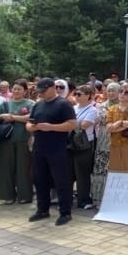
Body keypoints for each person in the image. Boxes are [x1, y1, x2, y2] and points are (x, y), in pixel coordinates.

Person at [27, 78, 77, 226]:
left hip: (57, 148)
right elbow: (29, 122)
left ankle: (65, 212)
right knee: (40, 179)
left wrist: (51, 127)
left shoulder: (63, 104)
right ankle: (42, 209)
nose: (42, 94)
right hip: (39, 147)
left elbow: (71, 125)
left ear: (53, 88)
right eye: (40, 92)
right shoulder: (38, 105)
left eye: (44, 91)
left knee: (61, 180)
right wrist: (31, 127)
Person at [0, 81, 34, 205]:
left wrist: (12, 117)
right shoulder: (4, 105)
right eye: (15, 89)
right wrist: (2, 116)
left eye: (19, 89)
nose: (16, 91)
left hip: (23, 140)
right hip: (6, 141)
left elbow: (32, 117)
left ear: (25, 91)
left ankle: (25, 195)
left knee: (24, 169)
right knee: (6, 168)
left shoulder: (30, 104)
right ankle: (8, 195)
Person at [69, 84, 98, 210]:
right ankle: (68, 198)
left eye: (80, 94)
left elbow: (84, 125)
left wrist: (70, 124)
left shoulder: (92, 110)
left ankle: (84, 199)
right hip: (70, 142)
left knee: (82, 173)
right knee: (69, 171)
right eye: (75, 94)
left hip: (84, 144)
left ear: (89, 96)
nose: (77, 97)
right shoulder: (73, 108)